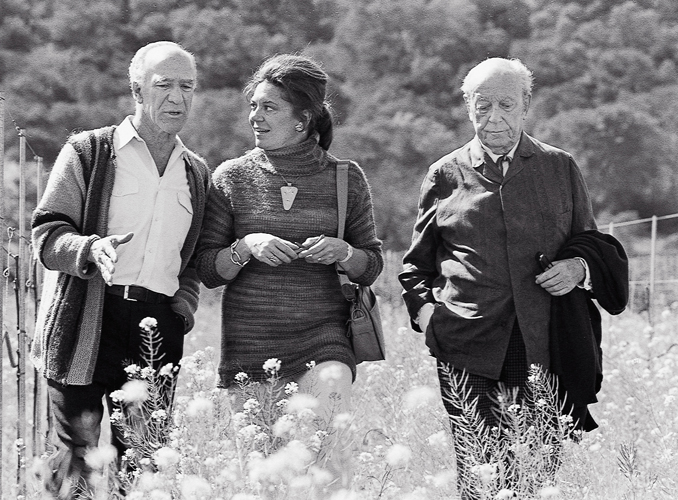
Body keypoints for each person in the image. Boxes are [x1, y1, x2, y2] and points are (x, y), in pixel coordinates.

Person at [398, 57, 598, 497]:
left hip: (544, 341)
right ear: (468, 107)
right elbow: (416, 267)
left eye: (506, 104)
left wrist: (576, 268)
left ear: (526, 105)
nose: (494, 117)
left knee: (540, 475)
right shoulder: (444, 174)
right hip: (466, 343)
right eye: (482, 105)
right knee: (480, 474)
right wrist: (432, 318)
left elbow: (590, 244)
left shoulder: (559, 167)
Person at [31, 41, 210, 498]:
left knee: (145, 463)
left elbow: (189, 258)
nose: (176, 97)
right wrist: (91, 249)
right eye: (163, 85)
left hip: (157, 330)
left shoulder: (196, 172)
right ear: (136, 89)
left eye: (186, 86)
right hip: (86, 320)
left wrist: (183, 306)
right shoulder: (89, 151)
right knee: (78, 463)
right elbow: (47, 235)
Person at [195, 53, 383, 489]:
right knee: (267, 479)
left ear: (303, 119)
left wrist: (342, 251)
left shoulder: (345, 178)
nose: (254, 117)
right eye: (254, 106)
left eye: (269, 108)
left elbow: (370, 264)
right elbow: (209, 269)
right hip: (250, 349)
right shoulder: (231, 177)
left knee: (324, 461)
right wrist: (245, 247)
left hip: (324, 339)